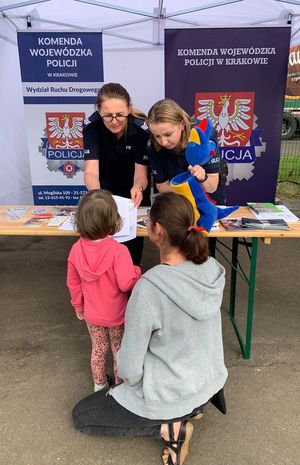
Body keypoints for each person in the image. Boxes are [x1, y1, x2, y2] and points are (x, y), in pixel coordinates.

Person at [72, 192, 228, 465]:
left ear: (157, 230)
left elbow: (130, 370)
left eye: (147, 220)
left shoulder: (149, 288)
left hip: (171, 393)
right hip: (209, 383)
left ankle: (168, 427)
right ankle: (191, 410)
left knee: (81, 416)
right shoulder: (212, 268)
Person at [67, 189, 141, 392]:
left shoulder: (76, 250)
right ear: (113, 220)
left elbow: (73, 283)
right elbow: (126, 284)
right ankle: (119, 387)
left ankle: (99, 385)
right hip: (117, 314)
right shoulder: (119, 251)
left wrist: (78, 306)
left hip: (92, 314)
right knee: (118, 349)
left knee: (98, 350)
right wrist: (136, 271)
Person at [147, 98, 227, 256]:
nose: (163, 142)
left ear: (182, 124)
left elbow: (211, 186)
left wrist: (202, 177)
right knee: (177, 255)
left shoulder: (203, 134)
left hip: (206, 201)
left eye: (168, 134)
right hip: (178, 205)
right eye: (157, 136)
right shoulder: (152, 144)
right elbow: (163, 188)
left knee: (202, 254)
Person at [83, 82, 150, 265]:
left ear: (129, 108)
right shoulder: (92, 126)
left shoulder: (140, 129)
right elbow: (90, 171)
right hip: (104, 189)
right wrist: (98, 195)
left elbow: (141, 174)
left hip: (134, 192)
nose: (114, 121)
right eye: (108, 116)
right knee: (101, 247)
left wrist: (138, 187)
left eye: (120, 115)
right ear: (99, 110)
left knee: (131, 252)